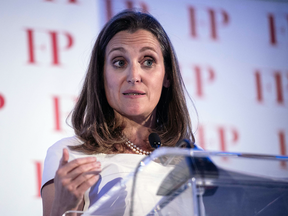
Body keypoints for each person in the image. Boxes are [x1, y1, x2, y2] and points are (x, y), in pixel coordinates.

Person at [41, 9, 195, 216]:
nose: (134, 75)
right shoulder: (70, 156)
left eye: (148, 61)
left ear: (167, 76)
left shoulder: (193, 160)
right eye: (119, 62)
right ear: (101, 76)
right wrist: (63, 208)